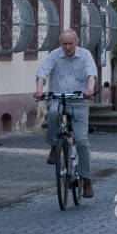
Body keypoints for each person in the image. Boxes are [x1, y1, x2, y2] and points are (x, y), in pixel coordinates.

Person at [34, 30, 97, 198]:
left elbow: (91, 74)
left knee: (82, 141)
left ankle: (87, 180)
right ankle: (54, 147)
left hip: (79, 101)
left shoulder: (86, 55)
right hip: (59, 98)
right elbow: (42, 72)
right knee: (53, 112)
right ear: (60, 44)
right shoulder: (55, 55)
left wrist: (90, 89)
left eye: (71, 44)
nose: (67, 47)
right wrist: (39, 89)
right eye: (64, 44)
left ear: (77, 42)